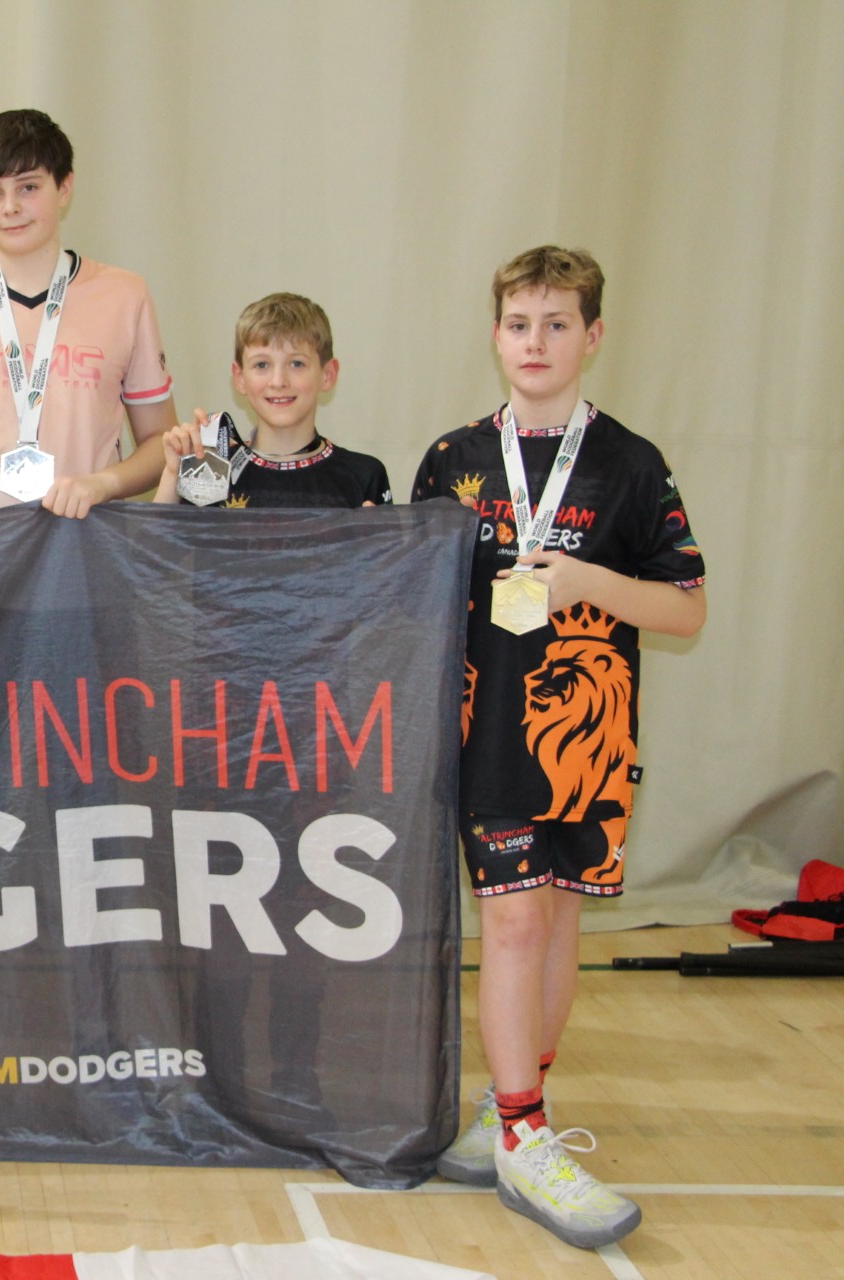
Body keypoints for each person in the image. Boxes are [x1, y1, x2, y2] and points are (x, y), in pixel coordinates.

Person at [413, 246, 706, 1249]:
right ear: (495, 335)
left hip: (593, 741)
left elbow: (686, 607)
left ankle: (511, 1109)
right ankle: (526, 1135)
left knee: (559, 922)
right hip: (488, 730)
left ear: (593, 335)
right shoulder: (453, 457)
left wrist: (590, 583)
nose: (535, 342)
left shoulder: (631, 462)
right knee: (514, 926)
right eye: (518, 324)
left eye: (556, 323)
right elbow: (413, 591)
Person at [0, 108, 176, 532]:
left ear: (64, 187)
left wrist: (103, 484)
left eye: (28, 187)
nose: (11, 207)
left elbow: (160, 442)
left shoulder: (125, 295)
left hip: (85, 544)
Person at [152, 293, 392, 509]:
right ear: (240, 378)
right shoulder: (208, 473)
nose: (278, 381)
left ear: (327, 375)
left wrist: (370, 539)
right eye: (262, 365)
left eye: (296, 363)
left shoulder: (363, 476)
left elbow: (390, 547)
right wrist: (173, 475)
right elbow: (155, 544)